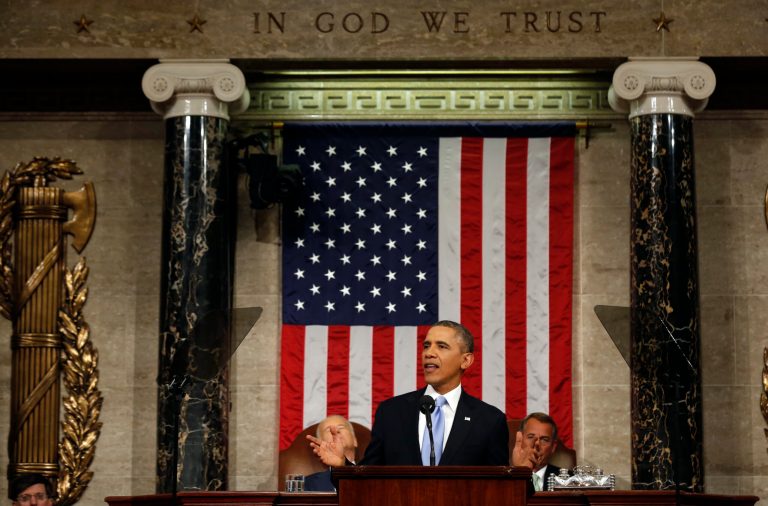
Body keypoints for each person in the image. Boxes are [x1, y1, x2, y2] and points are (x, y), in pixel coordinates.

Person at [309, 320, 538, 467]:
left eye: (442, 346)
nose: (429, 353)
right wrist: (343, 466)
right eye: (426, 346)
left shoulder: (489, 420)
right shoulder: (392, 412)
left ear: (466, 360)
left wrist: (519, 474)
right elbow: (370, 479)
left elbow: (498, 492)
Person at [304, 415, 358, 492]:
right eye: (329, 430)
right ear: (320, 444)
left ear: (355, 440)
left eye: (341, 427)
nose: (336, 431)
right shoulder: (307, 485)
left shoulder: (373, 478)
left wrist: (343, 465)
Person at [519, 412, 562, 491]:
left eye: (544, 439)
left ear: (553, 447)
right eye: (531, 437)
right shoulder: (505, 480)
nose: (537, 444)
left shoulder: (568, 481)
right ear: (520, 441)